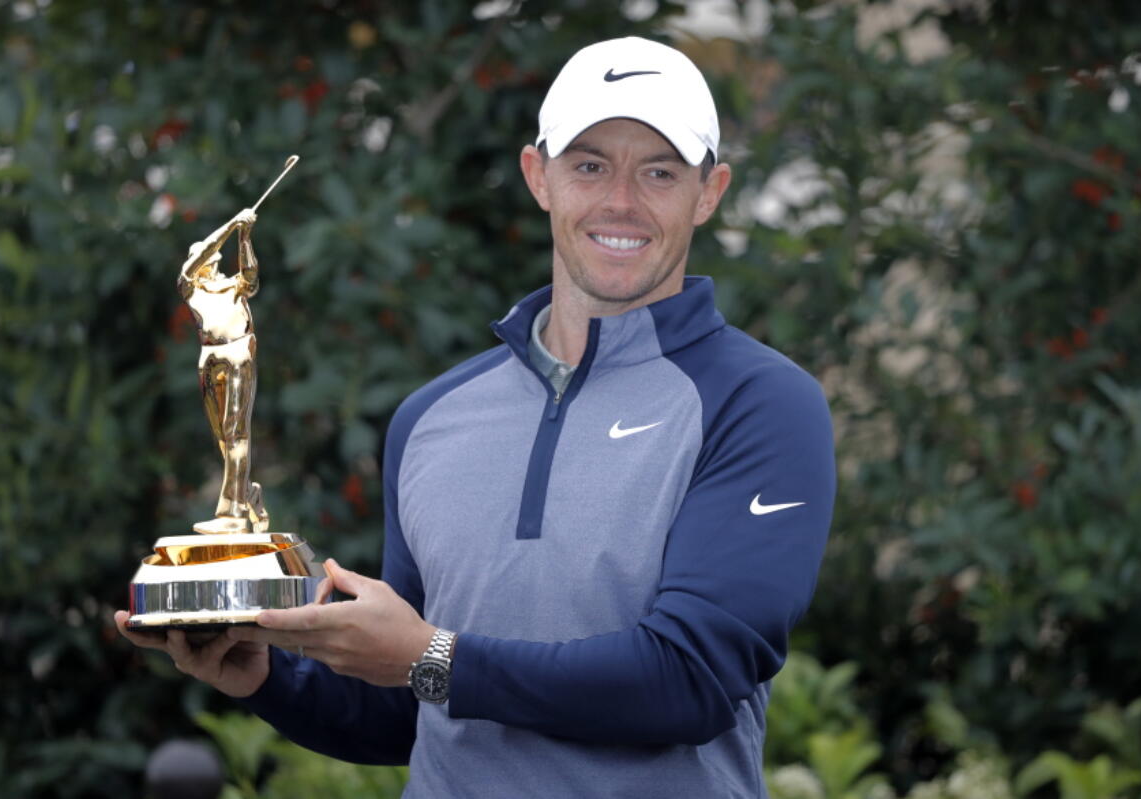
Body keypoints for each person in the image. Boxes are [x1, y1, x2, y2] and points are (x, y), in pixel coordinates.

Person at [117, 36, 836, 796]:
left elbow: (689, 677)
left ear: (710, 192)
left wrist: (432, 655)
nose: (621, 200)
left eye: (659, 171)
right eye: (589, 165)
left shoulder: (762, 403)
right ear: (539, 177)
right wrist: (264, 676)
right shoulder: (432, 417)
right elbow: (409, 710)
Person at [177, 207, 270, 534]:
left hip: (238, 352)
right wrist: (231, 223)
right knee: (222, 437)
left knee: (236, 430)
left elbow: (251, 274)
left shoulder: (233, 286)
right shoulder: (191, 288)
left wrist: (244, 235)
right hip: (209, 357)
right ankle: (247, 494)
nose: (205, 266)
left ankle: (232, 513)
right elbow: (193, 261)